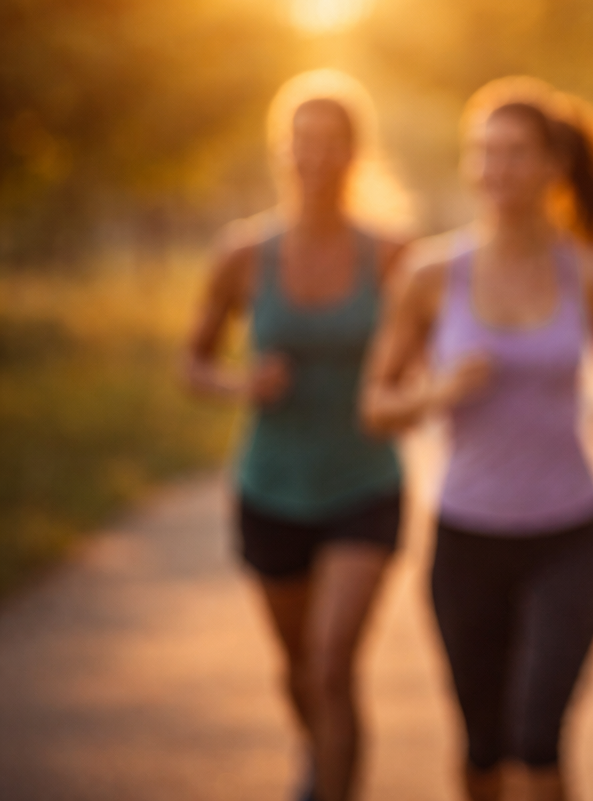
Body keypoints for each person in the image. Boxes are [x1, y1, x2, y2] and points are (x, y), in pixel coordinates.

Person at [362, 76, 593, 801]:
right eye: (484, 152)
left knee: (537, 738)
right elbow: (375, 405)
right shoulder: (430, 275)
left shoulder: (591, 273)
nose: (497, 169)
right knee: (483, 745)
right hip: (467, 539)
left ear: (553, 165)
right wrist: (436, 392)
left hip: (571, 538)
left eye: (516, 153)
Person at [185, 70, 413, 801]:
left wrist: (405, 396)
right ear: (282, 150)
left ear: (354, 153)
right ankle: (321, 759)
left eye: (331, 142)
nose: (315, 156)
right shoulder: (243, 254)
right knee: (299, 670)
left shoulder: (391, 256)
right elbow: (194, 362)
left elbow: (419, 361)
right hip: (271, 486)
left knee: (332, 662)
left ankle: (331, 783)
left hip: (364, 483)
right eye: (301, 141)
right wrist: (240, 384)